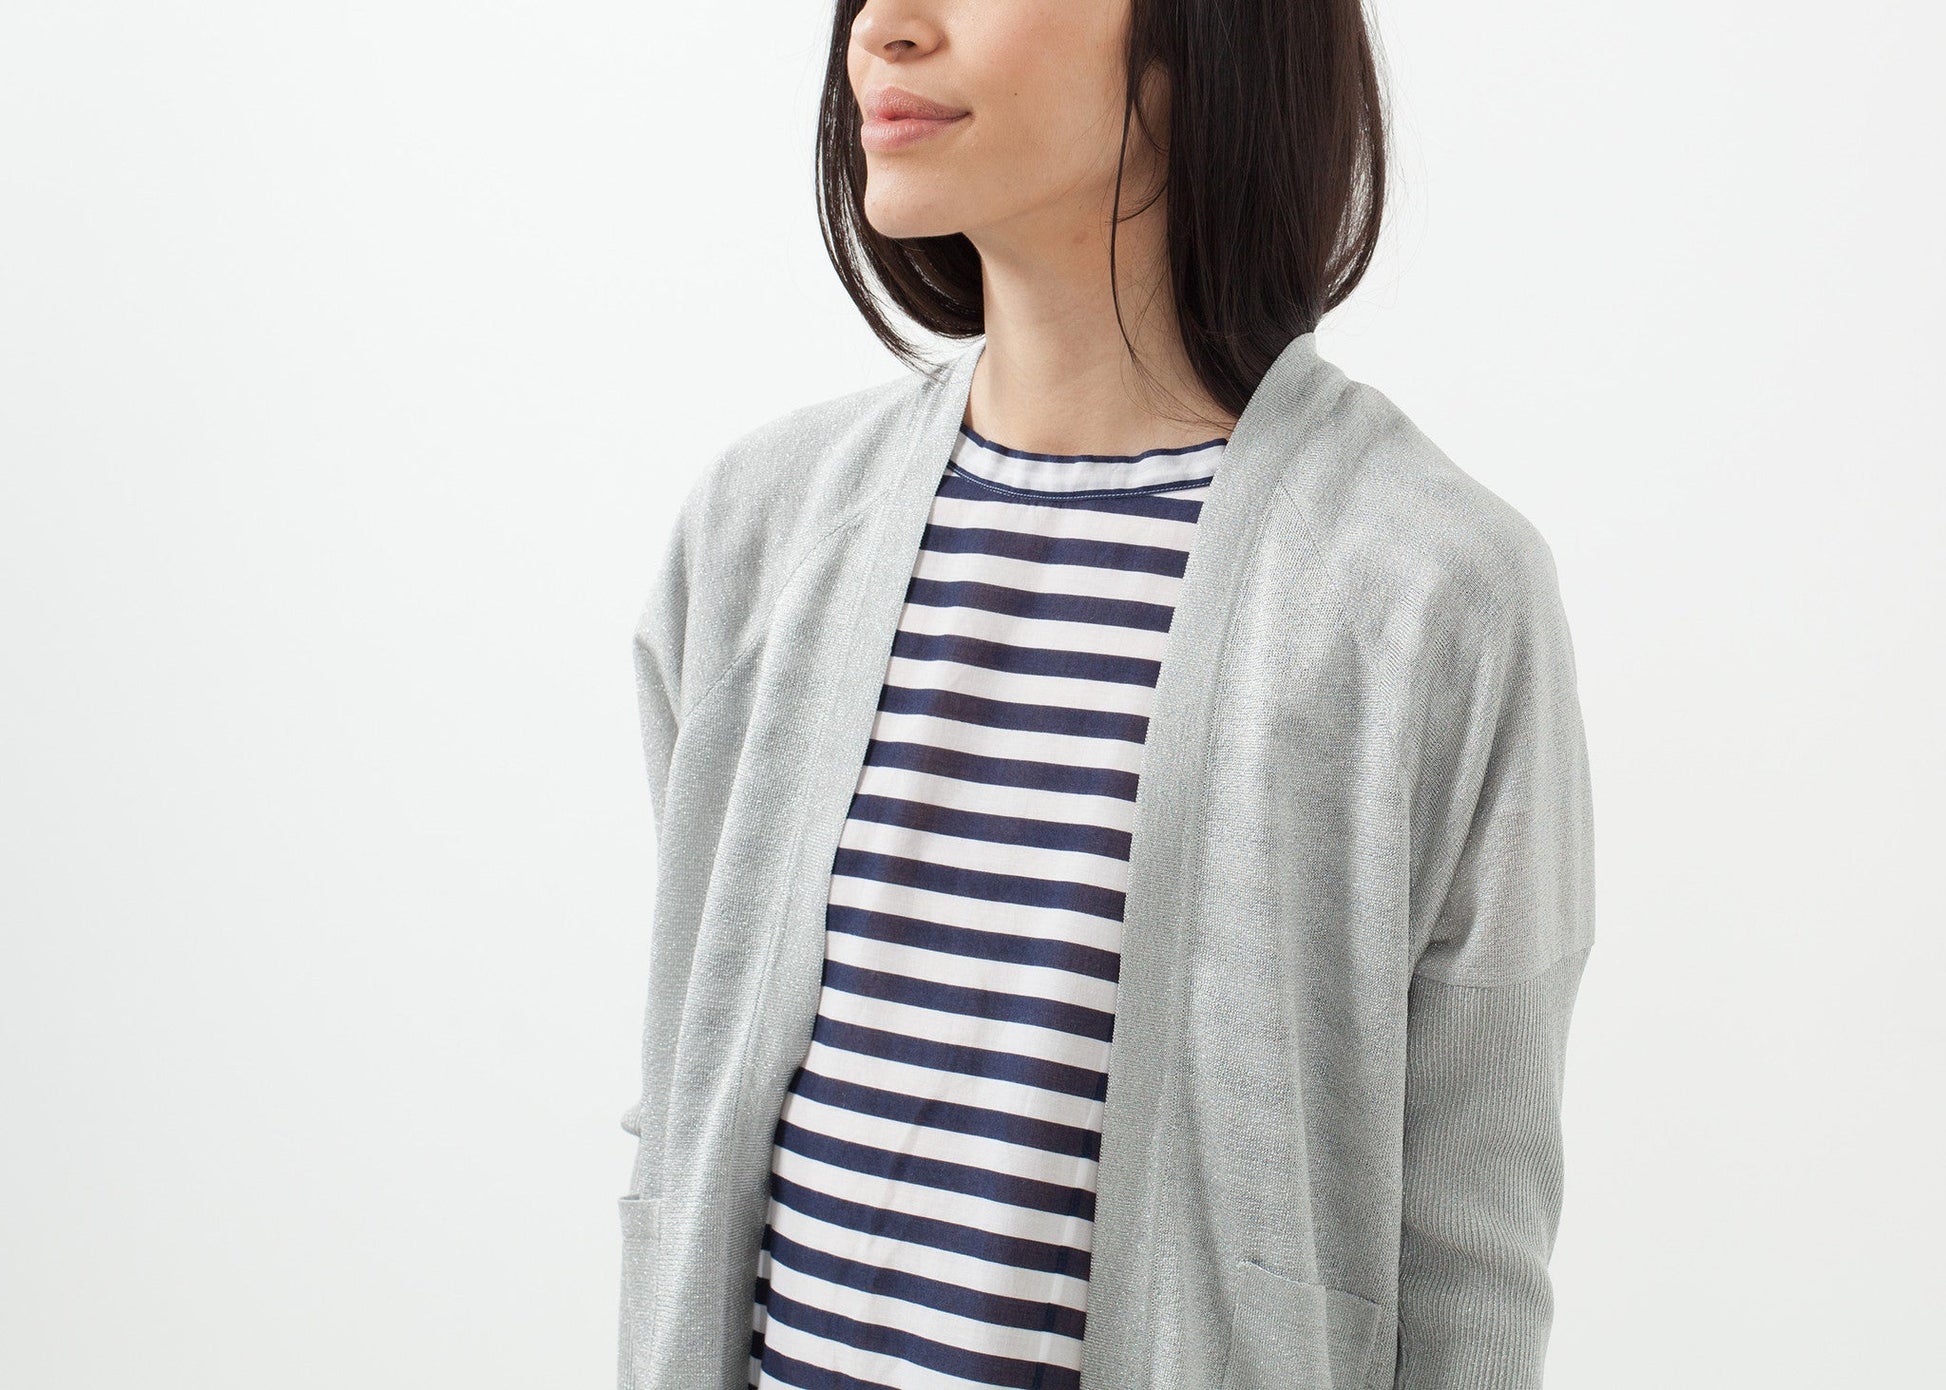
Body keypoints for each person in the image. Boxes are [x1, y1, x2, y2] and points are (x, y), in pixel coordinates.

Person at [617, 2, 1596, 1388]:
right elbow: (686, 1119)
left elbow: (1469, 1253)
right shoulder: (757, 537)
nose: (882, 28)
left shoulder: (1425, 595)